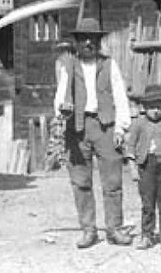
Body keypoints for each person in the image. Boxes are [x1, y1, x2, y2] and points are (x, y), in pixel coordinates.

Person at [53, 16, 132, 249]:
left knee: (113, 181)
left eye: (93, 39)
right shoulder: (68, 66)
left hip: (105, 126)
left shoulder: (109, 65)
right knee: (80, 181)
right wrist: (62, 110)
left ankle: (114, 229)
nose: (88, 42)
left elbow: (120, 97)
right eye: (83, 39)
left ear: (98, 41)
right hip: (76, 129)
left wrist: (120, 127)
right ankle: (88, 230)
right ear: (76, 42)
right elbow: (59, 98)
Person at [125, 83, 161, 250]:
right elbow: (130, 148)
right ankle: (147, 235)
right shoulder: (138, 125)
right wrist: (133, 169)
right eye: (151, 107)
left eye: (159, 107)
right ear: (144, 107)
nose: (156, 111)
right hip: (146, 166)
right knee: (148, 203)